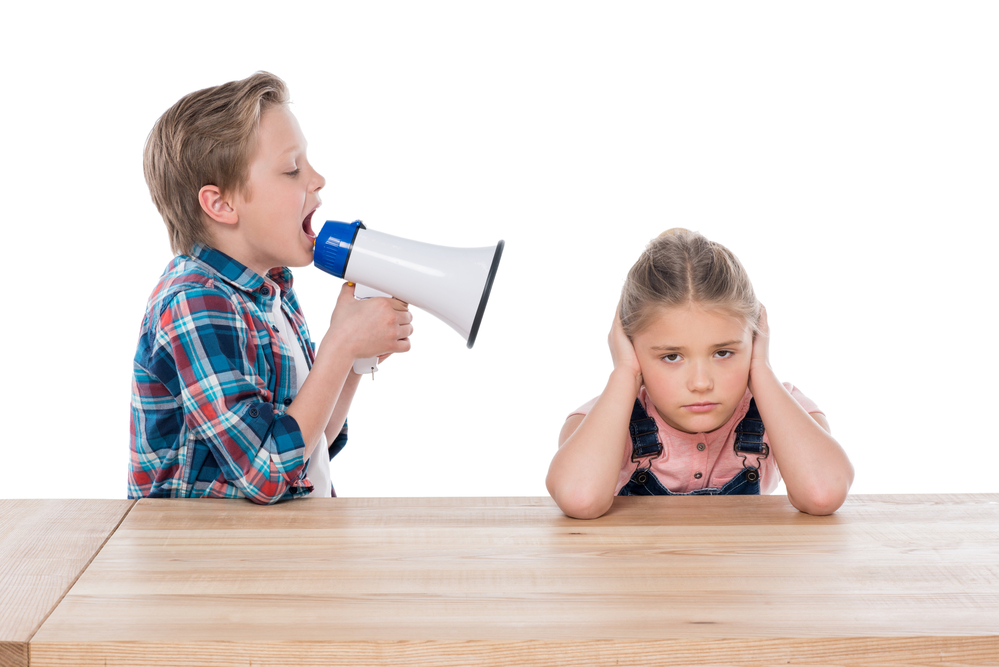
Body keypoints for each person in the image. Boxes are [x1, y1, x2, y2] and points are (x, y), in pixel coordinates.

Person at [129, 72, 413, 504]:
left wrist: (356, 357)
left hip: (272, 553)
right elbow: (266, 471)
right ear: (222, 204)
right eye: (292, 169)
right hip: (206, 563)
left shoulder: (271, 288)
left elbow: (311, 440)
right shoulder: (194, 301)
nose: (317, 179)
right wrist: (339, 344)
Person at [546, 229, 853, 519]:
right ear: (629, 346)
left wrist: (761, 370)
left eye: (723, 353)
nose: (701, 383)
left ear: (755, 339)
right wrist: (624, 374)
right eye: (671, 356)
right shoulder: (604, 419)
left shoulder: (783, 410)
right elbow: (579, 497)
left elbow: (823, 493)